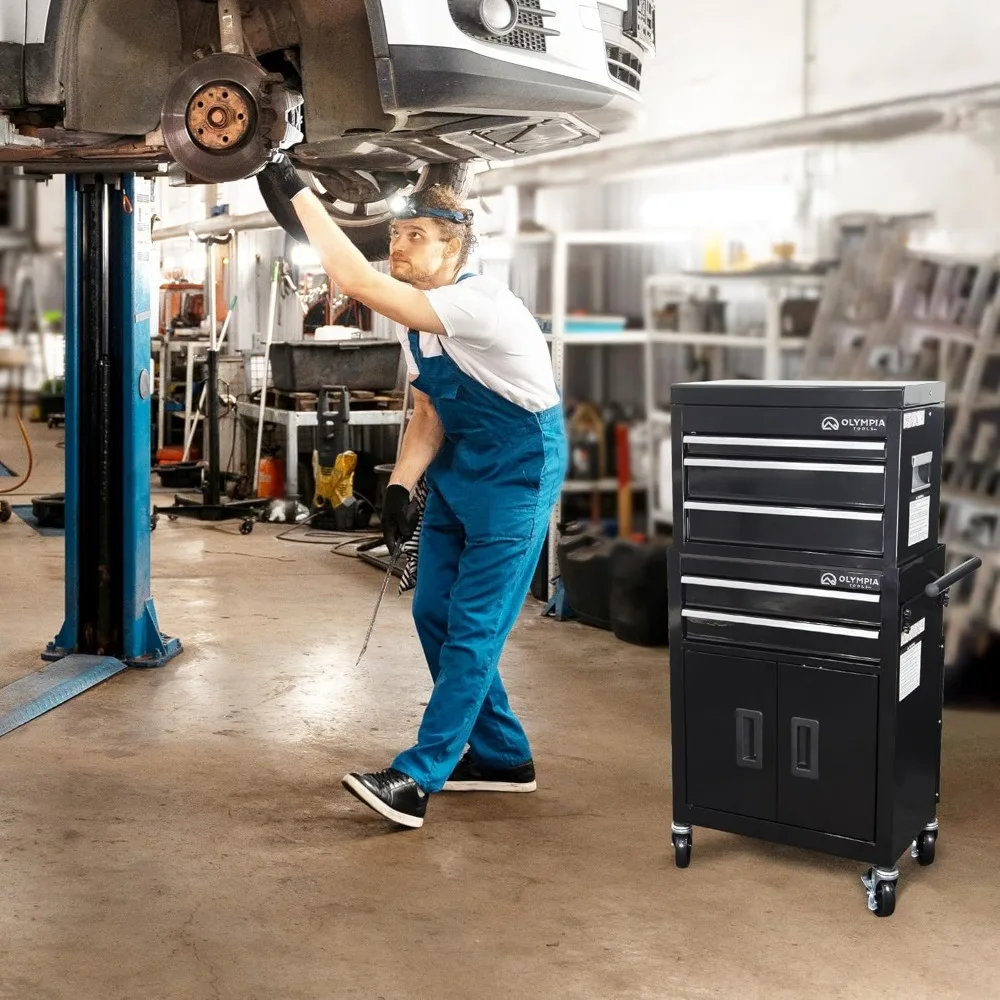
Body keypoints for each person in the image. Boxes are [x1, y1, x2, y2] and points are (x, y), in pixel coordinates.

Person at [258, 156, 567, 830]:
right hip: (460, 466)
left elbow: (351, 278)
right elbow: (430, 411)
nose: (398, 246)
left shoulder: (475, 305)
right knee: (432, 611)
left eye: (416, 235)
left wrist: (292, 186)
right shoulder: (416, 319)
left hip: (518, 470)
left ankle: (420, 775)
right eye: (395, 236)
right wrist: (401, 484)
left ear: (453, 246)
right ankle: (503, 758)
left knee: (474, 628)